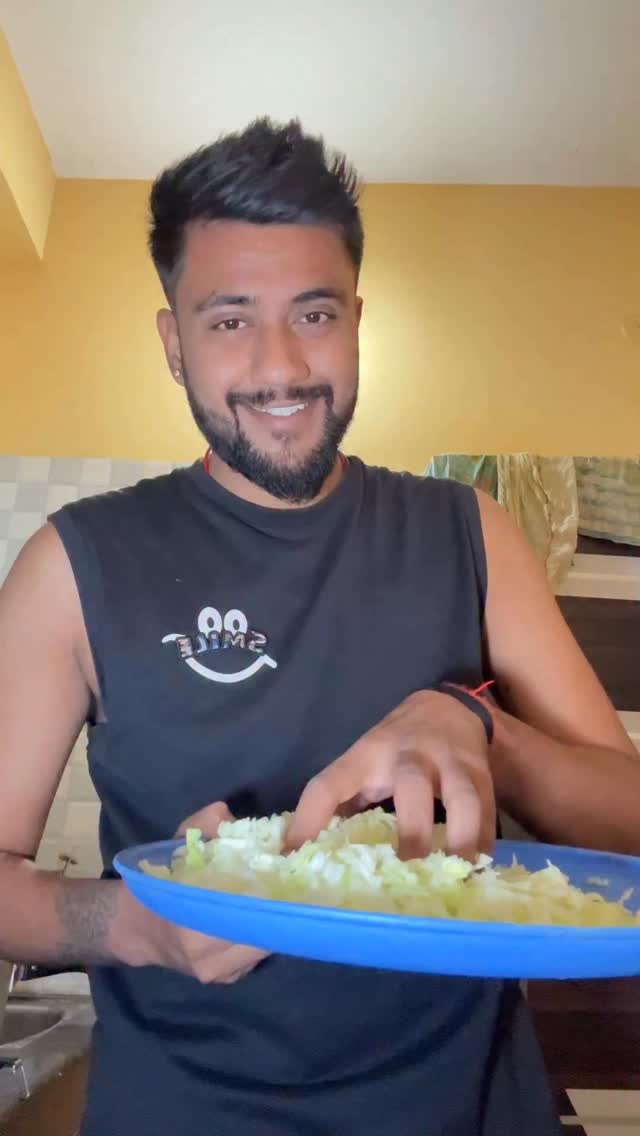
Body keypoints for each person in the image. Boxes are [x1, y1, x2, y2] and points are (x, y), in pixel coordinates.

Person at [0, 118, 638, 1136]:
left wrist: (480, 728)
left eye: (314, 312)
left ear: (356, 321)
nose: (282, 365)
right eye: (229, 320)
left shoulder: (469, 530)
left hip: (474, 1109)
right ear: (172, 343)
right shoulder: (71, 565)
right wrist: (127, 924)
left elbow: (628, 823)